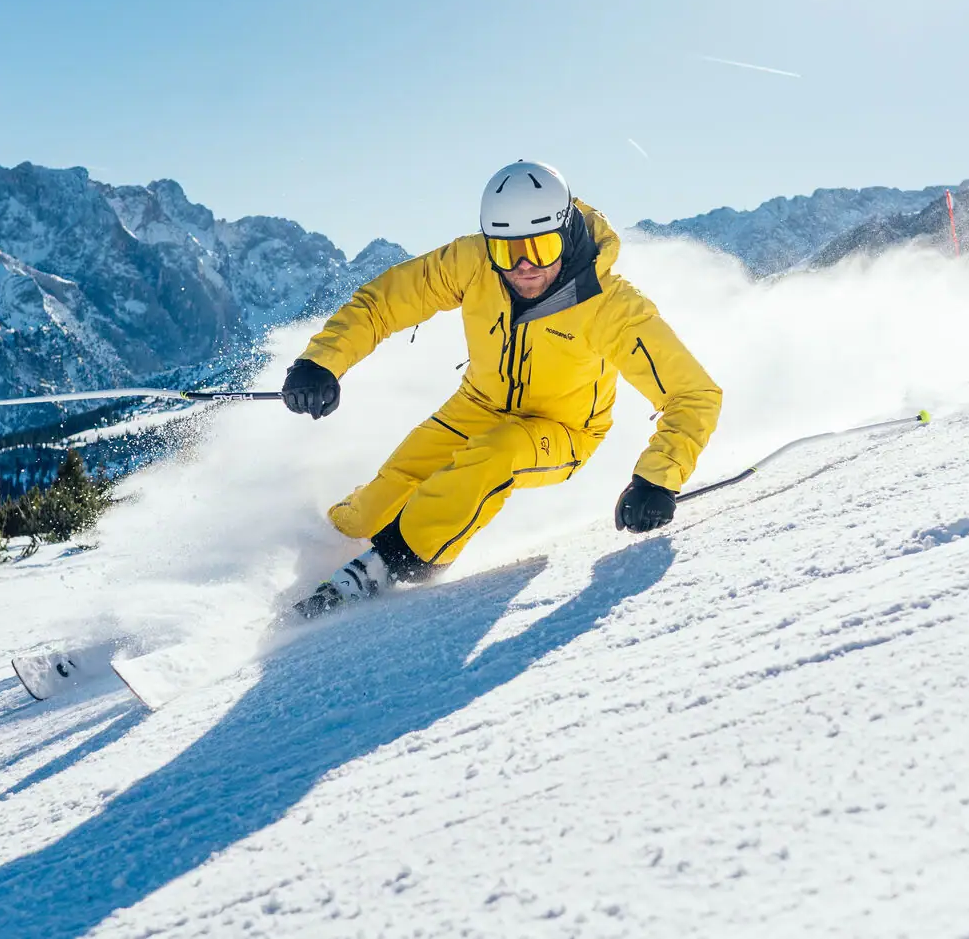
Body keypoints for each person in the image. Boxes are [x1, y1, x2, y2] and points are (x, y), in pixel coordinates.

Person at [281, 160, 722, 617]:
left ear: (567, 233)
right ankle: (330, 538)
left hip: (564, 429)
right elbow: (384, 302)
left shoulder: (610, 305)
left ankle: (394, 564)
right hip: (477, 405)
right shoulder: (473, 263)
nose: (525, 267)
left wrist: (657, 480)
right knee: (373, 507)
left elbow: (693, 393)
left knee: (496, 453)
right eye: (509, 253)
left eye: (543, 247)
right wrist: (320, 362)